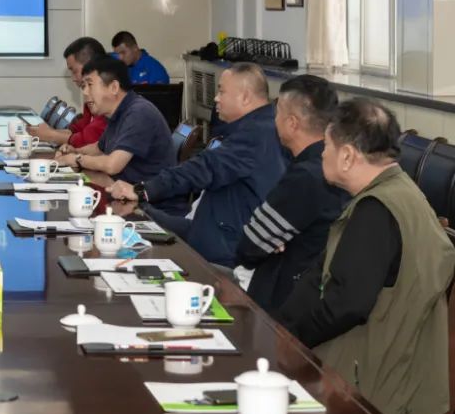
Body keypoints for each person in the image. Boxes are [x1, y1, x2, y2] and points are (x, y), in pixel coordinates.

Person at [276, 99, 455, 414]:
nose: (322, 154)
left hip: (369, 390)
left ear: (347, 156)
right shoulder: (398, 193)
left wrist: (291, 343)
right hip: (389, 369)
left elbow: (345, 306)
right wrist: (282, 326)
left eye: (327, 146)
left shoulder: (377, 211)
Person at [108, 63, 286, 267]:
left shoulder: (255, 135)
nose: (216, 98)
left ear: (245, 97)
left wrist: (142, 191)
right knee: (139, 218)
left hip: (223, 255)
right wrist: (144, 204)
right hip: (208, 232)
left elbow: (204, 168)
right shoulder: (254, 128)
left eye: (221, 91)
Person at [235, 75, 349, 311]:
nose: (274, 121)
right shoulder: (339, 165)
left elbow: (249, 247)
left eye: (277, 114)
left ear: (292, 123)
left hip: (284, 304)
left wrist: (274, 240)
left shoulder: (306, 177)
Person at [56, 55, 175, 185]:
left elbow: (112, 165)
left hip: (146, 200)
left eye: (90, 84)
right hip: (121, 189)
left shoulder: (139, 113)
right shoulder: (118, 112)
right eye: (83, 86)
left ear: (114, 87)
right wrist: (74, 151)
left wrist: (76, 159)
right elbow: (99, 148)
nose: (84, 92)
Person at [26, 37, 109, 148]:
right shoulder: (89, 96)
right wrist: (44, 132)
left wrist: (51, 135)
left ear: (91, 66)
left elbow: (89, 140)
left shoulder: (108, 99)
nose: (73, 78)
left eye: (74, 71)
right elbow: (77, 131)